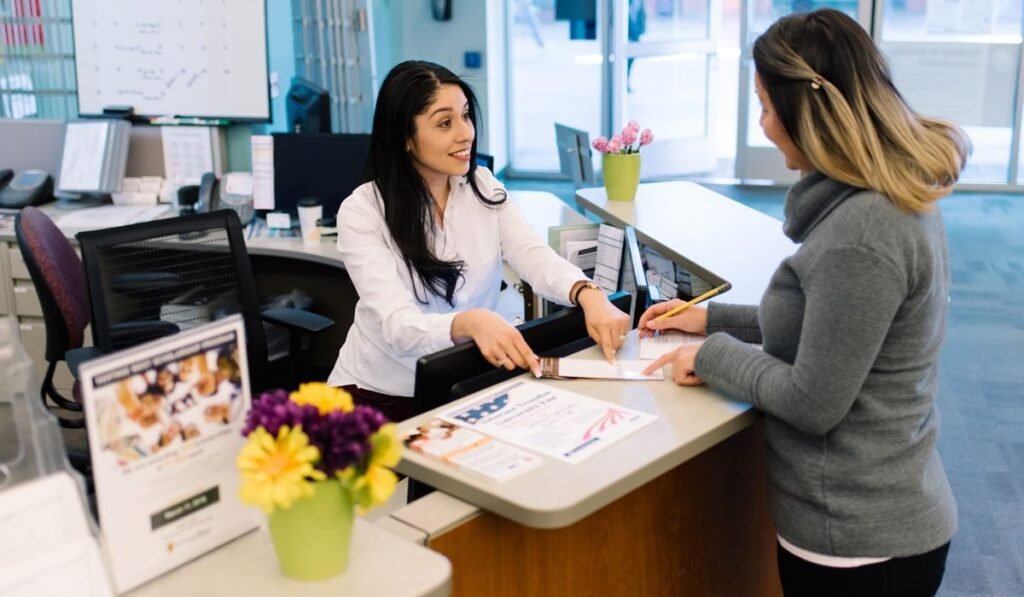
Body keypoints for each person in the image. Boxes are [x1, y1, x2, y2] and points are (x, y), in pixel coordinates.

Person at [640, 9, 969, 596]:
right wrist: (710, 317)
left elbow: (814, 400)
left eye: (766, 106)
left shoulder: (863, 233)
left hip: (858, 539)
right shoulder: (882, 199)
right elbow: (829, 327)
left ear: (808, 114)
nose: (763, 124)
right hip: (876, 518)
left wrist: (712, 353)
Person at [328, 60, 630, 422]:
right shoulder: (363, 212)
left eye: (466, 116)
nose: (465, 133)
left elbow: (534, 256)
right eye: (445, 123)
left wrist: (588, 293)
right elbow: (398, 326)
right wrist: (468, 322)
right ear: (405, 138)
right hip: (379, 396)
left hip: (460, 383)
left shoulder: (482, 185)